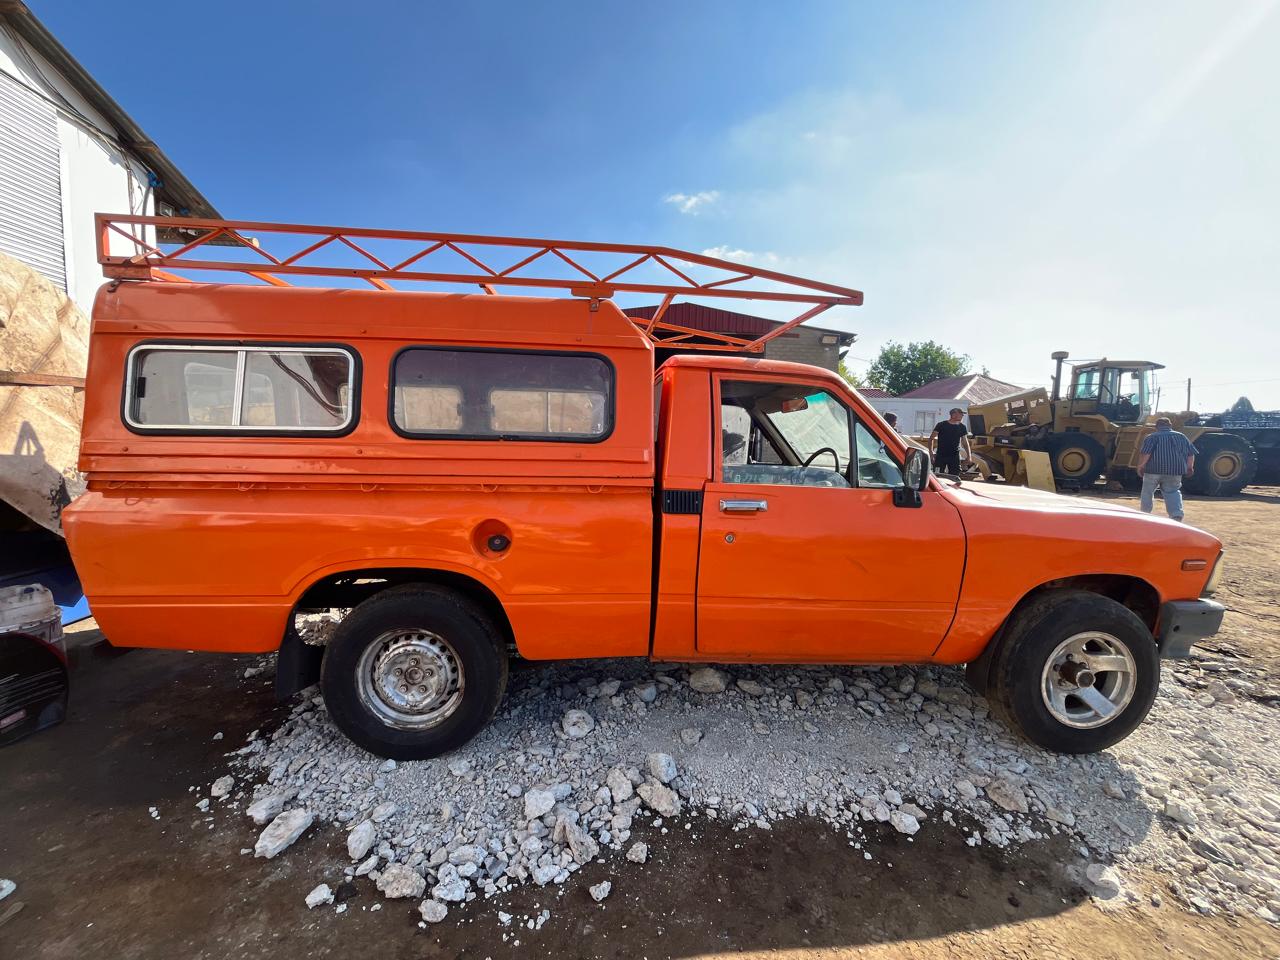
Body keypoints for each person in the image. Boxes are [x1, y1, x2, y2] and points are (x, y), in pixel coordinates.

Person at [1137, 417, 1197, 521]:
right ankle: (1176, 514)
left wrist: (1141, 466)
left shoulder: (1152, 437)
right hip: (1175, 471)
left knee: (1147, 492)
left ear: (1156, 427)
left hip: (1153, 470)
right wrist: (1190, 467)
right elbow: (1190, 453)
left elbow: (1146, 453)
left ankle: (1145, 514)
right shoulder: (1182, 437)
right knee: (1173, 491)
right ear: (1170, 425)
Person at [930, 408, 971, 475]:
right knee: (938, 475)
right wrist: (931, 452)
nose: (962, 416)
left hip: (954, 456)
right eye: (961, 414)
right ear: (953, 415)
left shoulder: (962, 427)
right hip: (941, 455)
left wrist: (969, 456)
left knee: (955, 476)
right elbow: (931, 438)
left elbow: (965, 442)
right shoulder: (941, 425)